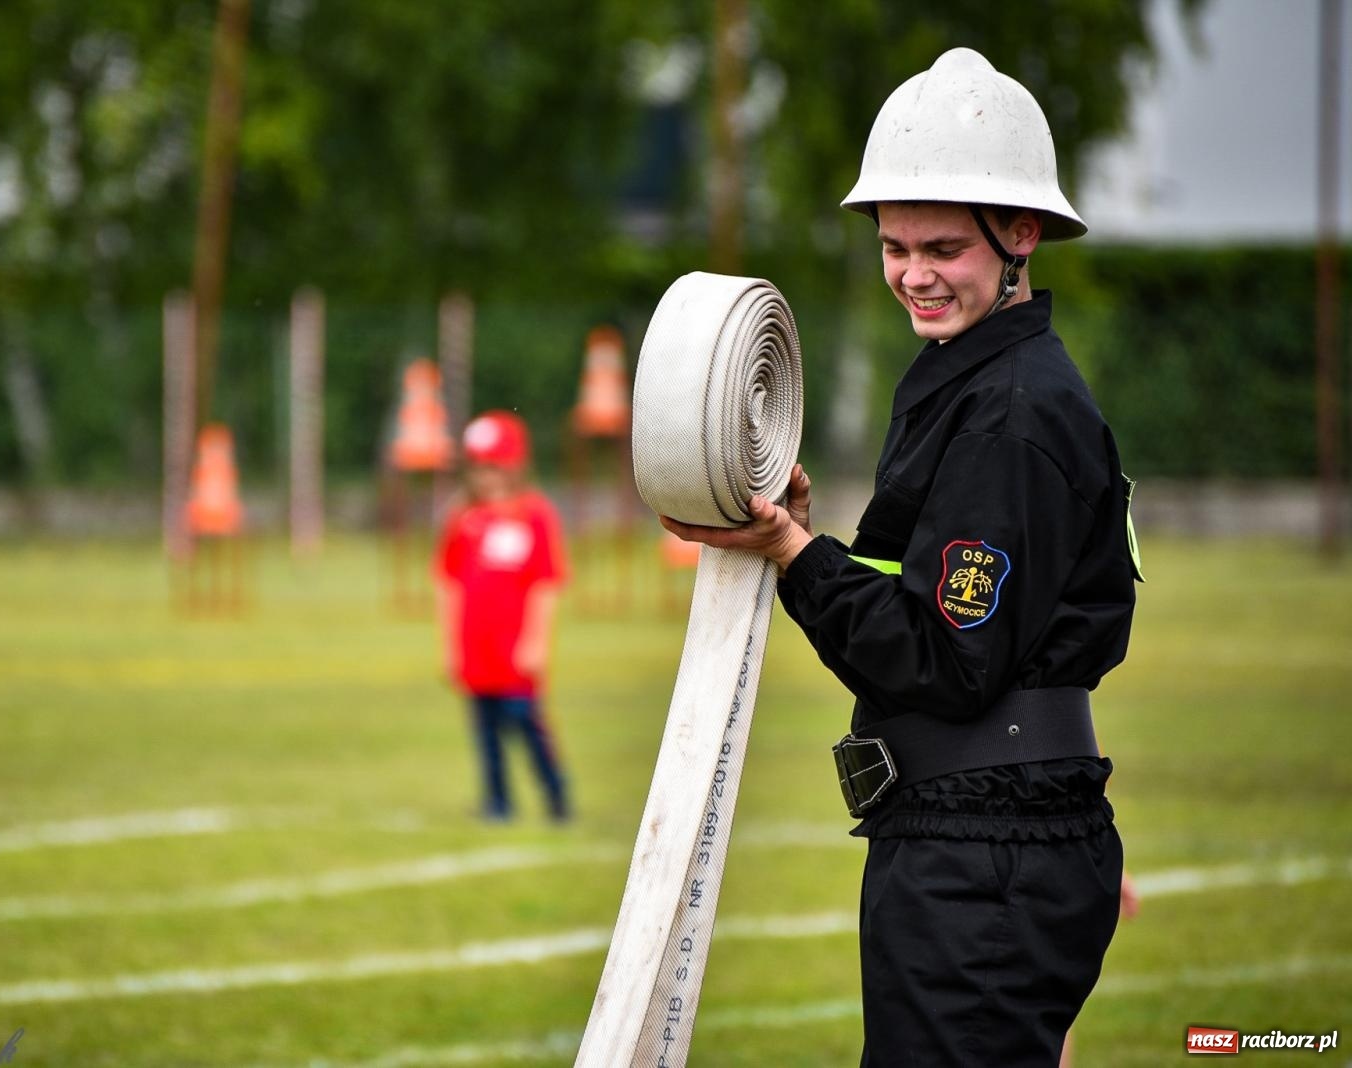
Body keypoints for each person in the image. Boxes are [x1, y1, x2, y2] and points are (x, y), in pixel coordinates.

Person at [660, 48, 1141, 1066]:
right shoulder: (970, 382)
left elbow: (941, 658)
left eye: (939, 248)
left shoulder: (1009, 411)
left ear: (1018, 236)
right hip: (986, 843)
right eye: (893, 247)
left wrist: (791, 552)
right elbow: (919, 593)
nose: (913, 274)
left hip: (986, 860)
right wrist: (801, 536)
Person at [435, 410, 571, 822]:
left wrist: (536, 642)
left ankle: (555, 795)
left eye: (494, 465)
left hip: (514, 648)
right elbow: (449, 583)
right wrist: (450, 647)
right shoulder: (463, 518)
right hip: (475, 646)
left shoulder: (534, 516)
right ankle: (497, 803)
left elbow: (546, 583)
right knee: (485, 731)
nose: (486, 476)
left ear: (514, 465)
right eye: (478, 466)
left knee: (526, 724)